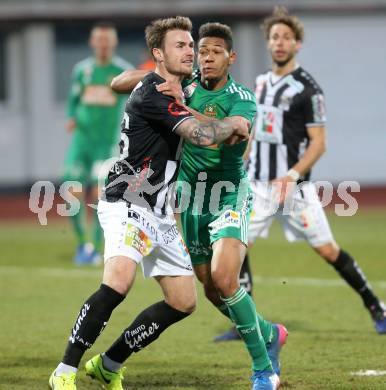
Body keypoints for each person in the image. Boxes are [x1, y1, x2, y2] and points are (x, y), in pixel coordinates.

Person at [49, 16, 250, 390]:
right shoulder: (156, 94)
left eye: (191, 45)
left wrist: (142, 77)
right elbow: (202, 135)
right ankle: (64, 371)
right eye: (181, 45)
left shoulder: (175, 83)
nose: (191, 51)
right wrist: (232, 125)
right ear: (158, 53)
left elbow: (115, 81)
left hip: (157, 209)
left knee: (183, 301)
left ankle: (109, 364)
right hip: (127, 199)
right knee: (118, 282)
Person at [216, 6, 386, 342]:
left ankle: (376, 307)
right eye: (274, 37)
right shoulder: (261, 83)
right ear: (268, 43)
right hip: (258, 186)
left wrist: (291, 176)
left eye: (286, 38)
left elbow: (319, 144)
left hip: (294, 190)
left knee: (328, 251)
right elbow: (253, 134)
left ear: (298, 44)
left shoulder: (309, 89)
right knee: (237, 246)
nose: (279, 43)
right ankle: (244, 322)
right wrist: (239, 164)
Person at [63, 22, 134, 264]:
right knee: (70, 190)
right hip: (81, 142)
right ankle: (84, 243)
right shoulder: (82, 71)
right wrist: (71, 117)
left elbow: (137, 101)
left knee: (99, 193)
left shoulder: (123, 72)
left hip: (106, 144)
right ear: (92, 43)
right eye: (99, 40)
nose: (103, 44)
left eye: (107, 40)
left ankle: (94, 247)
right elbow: (73, 99)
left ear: (113, 43)